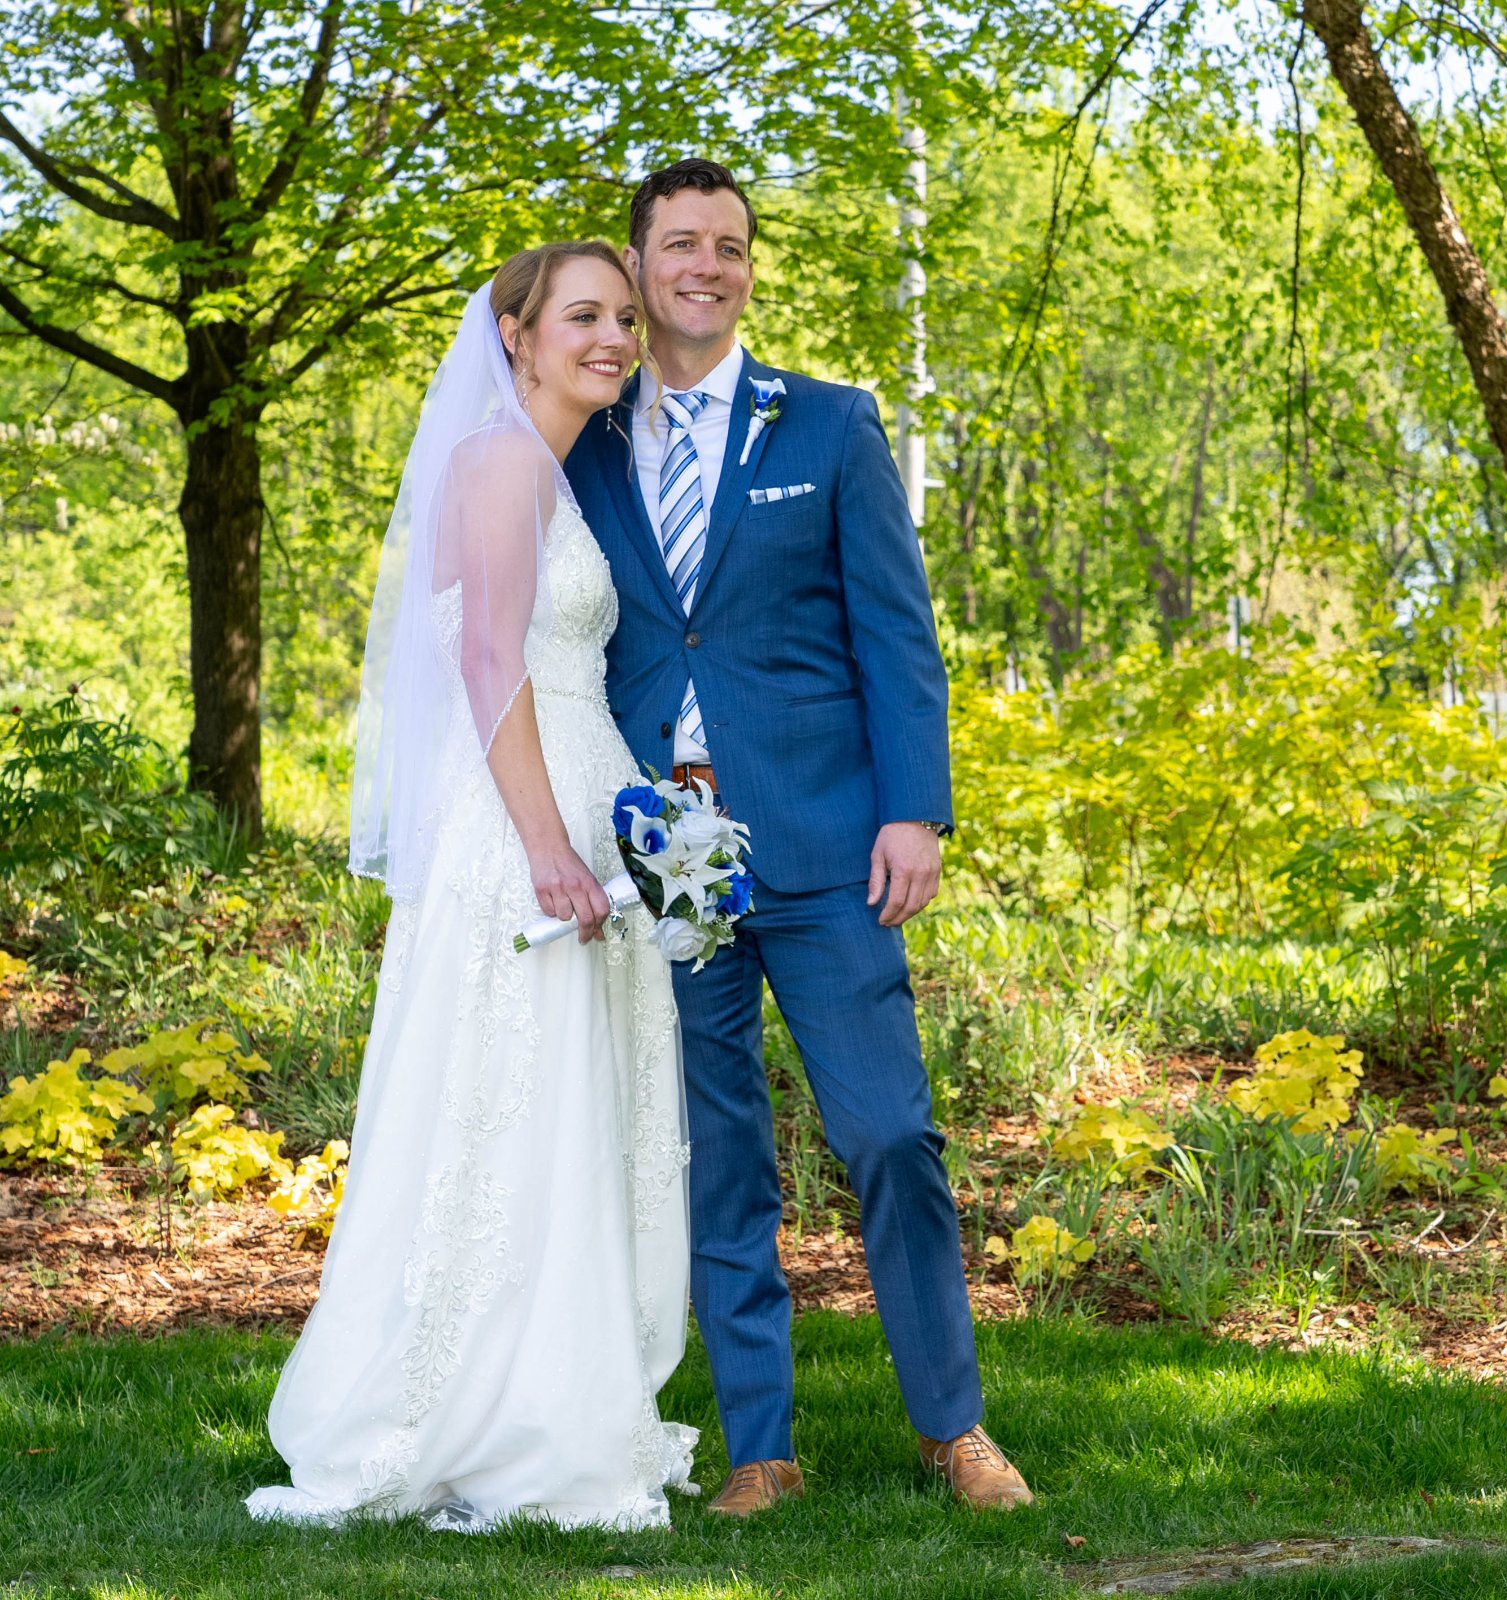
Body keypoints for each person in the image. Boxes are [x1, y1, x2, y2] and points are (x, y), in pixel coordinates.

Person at [565, 158, 1032, 1515]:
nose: (705, 266)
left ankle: (956, 1429)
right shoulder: (582, 439)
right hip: (662, 849)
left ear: (748, 268)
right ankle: (761, 1446)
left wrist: (916, 809)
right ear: (641, 269)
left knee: (889, 1134)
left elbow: (898, 630)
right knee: (720, 1153)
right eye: (679, 245)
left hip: (829, 843)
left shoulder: (831, 425)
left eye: (730, 245)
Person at [247, 242, 698, 1532]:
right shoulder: (500, 463)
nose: (612, 337)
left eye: (622, 318)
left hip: (579, 816)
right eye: (583, 317)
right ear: (515, 332)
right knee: (514, 1116)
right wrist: (551, 845)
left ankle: (549, 1396)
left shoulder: (552, 472)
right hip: (525, 832)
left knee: (565, 1117)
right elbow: (492, 659)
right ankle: (481, 1416)